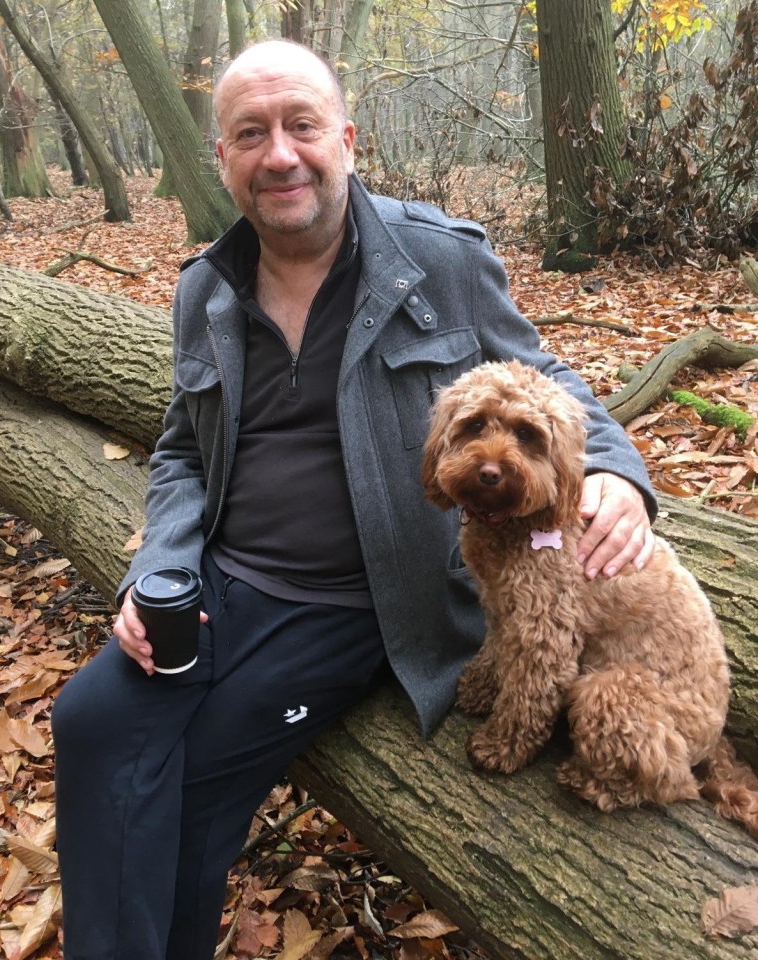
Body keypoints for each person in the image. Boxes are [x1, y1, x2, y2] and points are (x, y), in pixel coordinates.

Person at [51, 39, 657, 960]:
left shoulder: (436, 258)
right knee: (87, 720)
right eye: (250, 133)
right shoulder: (205, 289)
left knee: (195, 775)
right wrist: (160, 564)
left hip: (358, 600)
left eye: (300, 125)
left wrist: (615, 470)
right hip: (218, 577)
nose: (279, 154)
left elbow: (543, 372)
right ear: (222, 158)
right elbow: (180, 451)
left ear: (345, 137)